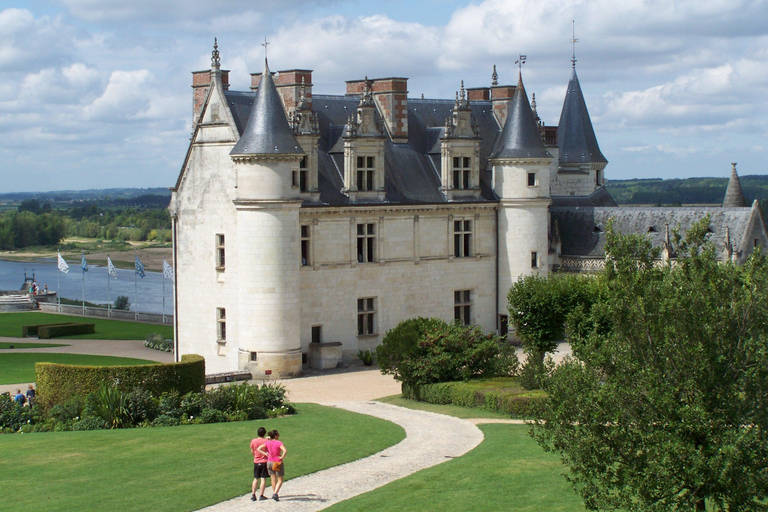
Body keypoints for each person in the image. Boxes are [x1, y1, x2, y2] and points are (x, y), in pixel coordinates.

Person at [257, 429, 287, 502]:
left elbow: (259, 448)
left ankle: (274, 492)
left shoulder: (268, 443)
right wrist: (282, 457)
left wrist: (265, 454)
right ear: (276, 436)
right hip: (277, 462)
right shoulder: (278, 443)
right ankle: (275, 493)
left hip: (269, 461)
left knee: (273, 479)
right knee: (280, 479)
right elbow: (285, 451)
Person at [250, 427, 270, 501]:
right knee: (263, 479)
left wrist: (255, 456)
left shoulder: (253, 441)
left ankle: (253, 494)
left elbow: (252, 451)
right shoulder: (266, 441)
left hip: (256, 461)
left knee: (256, 478)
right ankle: (261, 495)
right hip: (264, 461)